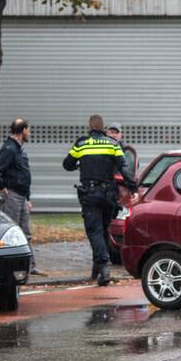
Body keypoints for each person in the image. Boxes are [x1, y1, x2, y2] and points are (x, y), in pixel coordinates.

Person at [63, 114, 137, 286]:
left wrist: (80, 163)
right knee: (103, 229)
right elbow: (124, 168)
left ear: (89, 127)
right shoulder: (113, 144)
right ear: (104, 128)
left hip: (90, 194)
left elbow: (67, 164)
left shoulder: (82, 144)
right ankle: (96, 268)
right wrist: (133, 188)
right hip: (109, 195)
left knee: (94, 230)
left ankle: (103, 266)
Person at [0, 118, 40, 275]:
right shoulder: (10, 149)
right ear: (23, 130)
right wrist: (2, 187)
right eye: (28, 130)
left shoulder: (18, 148)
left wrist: (28, 198)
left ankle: (29, 266)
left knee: (25, 232)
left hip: (22, 196)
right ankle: (9, 266)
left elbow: (24, 174)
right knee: (12, 231)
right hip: (13, 195)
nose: (29, 133)